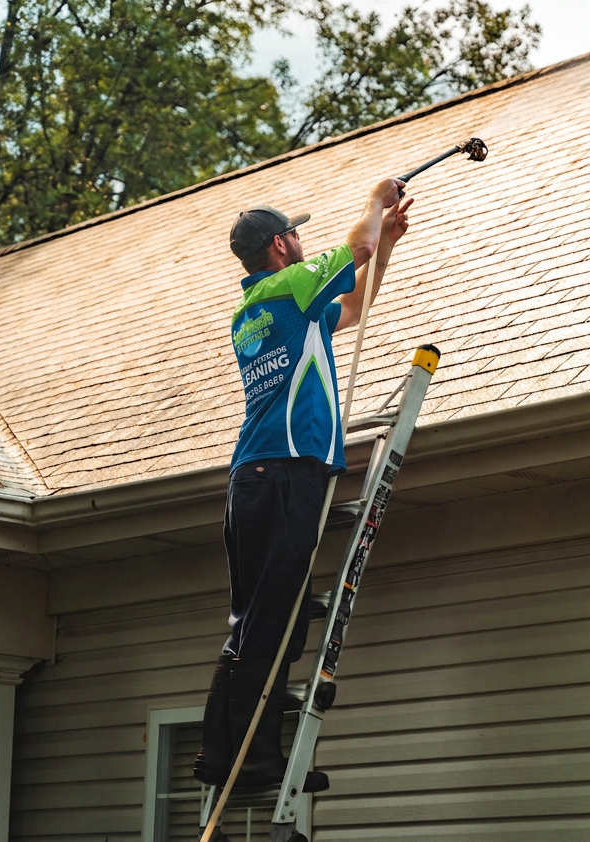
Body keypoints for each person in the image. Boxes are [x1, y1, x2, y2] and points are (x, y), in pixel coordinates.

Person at [194, 177, 413, 788]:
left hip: (255, 474)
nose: (301, 240)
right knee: (272, 621)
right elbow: (355, 249)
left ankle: (221, 754)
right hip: (286, 468)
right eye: (295, 233)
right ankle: (256, 761)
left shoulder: (263, 307)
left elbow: (353, 308)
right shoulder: (290, 285)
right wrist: (374, 205)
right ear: (280, 244)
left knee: (256, 621)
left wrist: (386, 244)